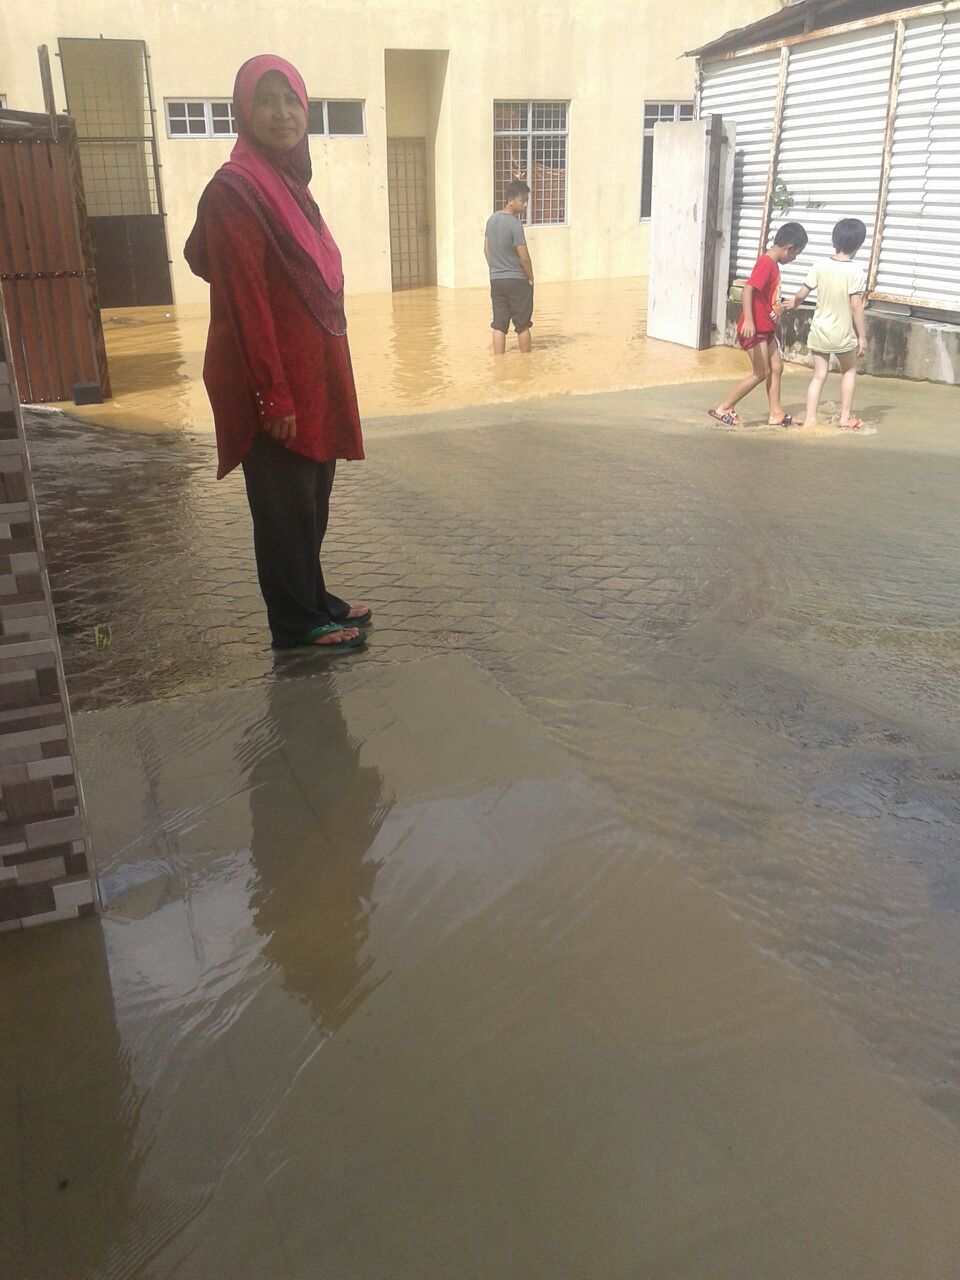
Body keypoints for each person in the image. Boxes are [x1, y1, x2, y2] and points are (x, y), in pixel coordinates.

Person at [184, 55, 369, 651]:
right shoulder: (236, 191)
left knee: (310, 499)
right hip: (273, 381)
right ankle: (294, 623)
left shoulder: (290, 184)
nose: (281, 113)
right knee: (282, 506)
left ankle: (314, 599)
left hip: (312, 377)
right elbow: (245, 300)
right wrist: (272, 394)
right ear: (244, 110)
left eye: (290, 100)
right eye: (266, 101)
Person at [708, 221, 809, 428]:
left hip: (765, 329)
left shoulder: (772, 264)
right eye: (796, 254)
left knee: (777, 367)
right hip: (754, 329)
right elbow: (748, 289)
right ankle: (725, 407)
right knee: (761, 372)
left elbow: (763, 297)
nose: (794, 259)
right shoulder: (766, 263)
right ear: (789, 248)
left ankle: (776, 413)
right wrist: (749, 320)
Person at [784, 218, 868, 430]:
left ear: (834, 240)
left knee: (819, 375)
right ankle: (845, 418)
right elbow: (856, 305)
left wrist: (794, 302)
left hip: (819, 330)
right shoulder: (856, 272)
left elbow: (803, 293)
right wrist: (862, 336)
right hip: (841, 333)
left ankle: (810, 419)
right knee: (849, 370)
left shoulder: (819, 265)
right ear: (859, 244)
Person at [484, 180, 535, 354]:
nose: (525, 205)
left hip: (496, 280)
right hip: (516, 280)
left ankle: (499, 363)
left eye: (526, 200)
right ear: (510, 200)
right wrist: (530, 277)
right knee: (522, 325)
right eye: (522, 200)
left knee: (499, 325)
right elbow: (524, 256)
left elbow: (486, 250)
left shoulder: (491, 220)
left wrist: (496, 269)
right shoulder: (515, 224)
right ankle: (526, 362)